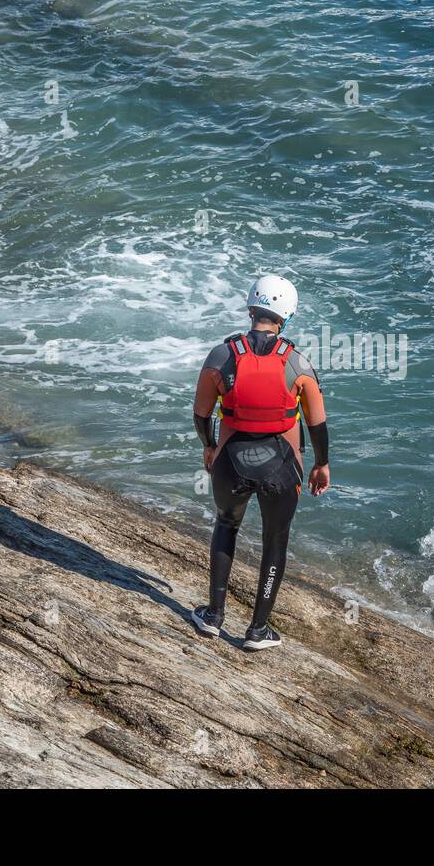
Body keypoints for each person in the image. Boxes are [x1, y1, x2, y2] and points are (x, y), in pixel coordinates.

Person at [190, 275, 330, 651]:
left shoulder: (222, 356)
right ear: (286, 317)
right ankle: (258, 630)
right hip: (282, 469)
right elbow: (317, 422)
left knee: (226, 524)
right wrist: (321, 464)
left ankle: (213, 617)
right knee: (275, 541)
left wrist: (210, 445)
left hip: (230, 462)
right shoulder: (298, 362)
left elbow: (201, 413)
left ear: (251, 308)